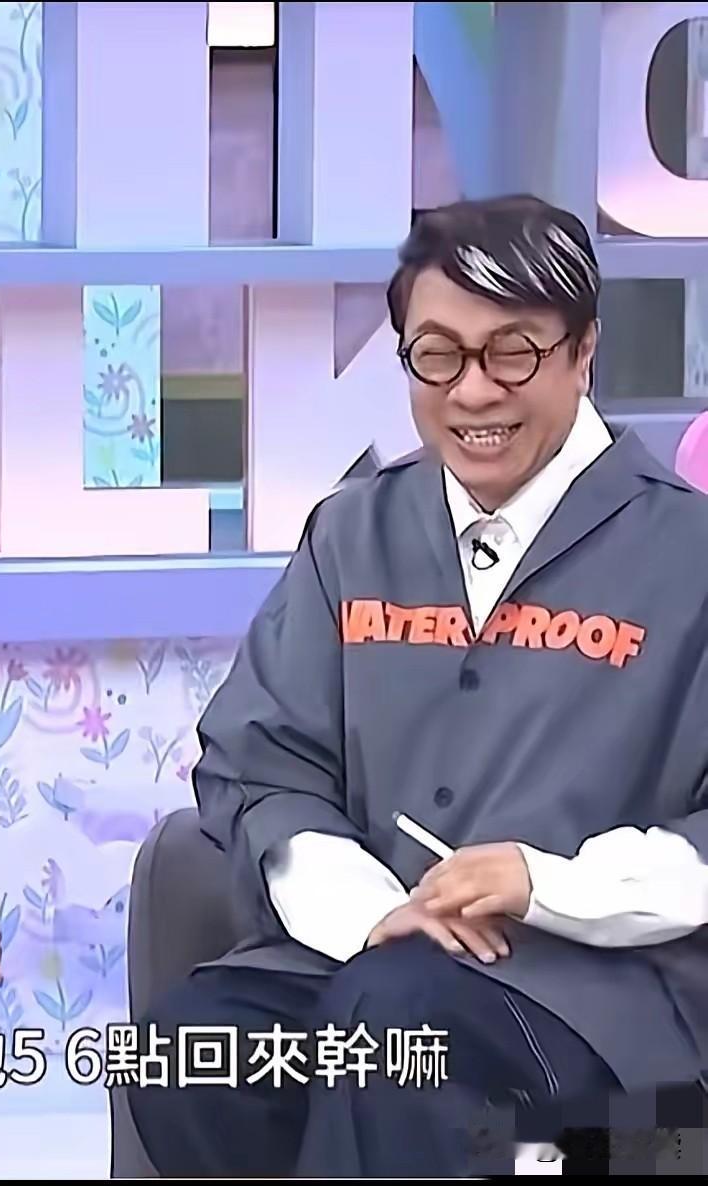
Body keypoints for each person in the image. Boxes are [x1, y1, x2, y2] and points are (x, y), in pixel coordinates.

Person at [126, 194, 708, 1177]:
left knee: (397, 1032)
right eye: (436, 356)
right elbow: (260, 763)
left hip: (606, 1008)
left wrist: (545, 883)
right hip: (370, 963)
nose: (472, 392)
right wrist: (370, 914)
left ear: (582, 351)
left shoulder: (688, 552)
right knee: (197, 1052)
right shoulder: (351, 533)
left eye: (511, 353)